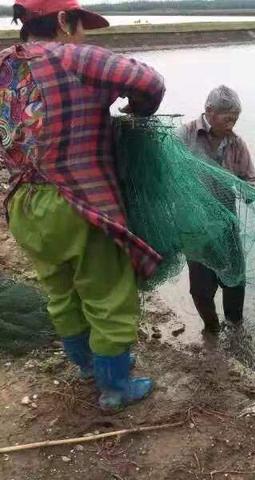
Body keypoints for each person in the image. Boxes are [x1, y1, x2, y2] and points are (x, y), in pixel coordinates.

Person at [1, 0, 165, 411]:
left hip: (22, 202)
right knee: (108, 293)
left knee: (60, 289)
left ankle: (86, 365)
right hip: (77, 201)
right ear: (62, 20)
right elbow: (150, 82)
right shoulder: (72, 55)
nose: (84, 35)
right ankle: (114, 386)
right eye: (80, 25)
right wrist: (136, 110)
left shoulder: (4, 63)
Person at [177, 85, 255, 333]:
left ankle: (235, 329)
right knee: (201, 287)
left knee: (235, 280)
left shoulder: (237, 143)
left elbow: (249, 179)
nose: (233, 123)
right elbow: (168, 173)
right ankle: (211, 328)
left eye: (236, 118)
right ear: (210, 112)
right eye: (228, 118)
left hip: (227, 225)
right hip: (196, 228)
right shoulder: (184, 136)